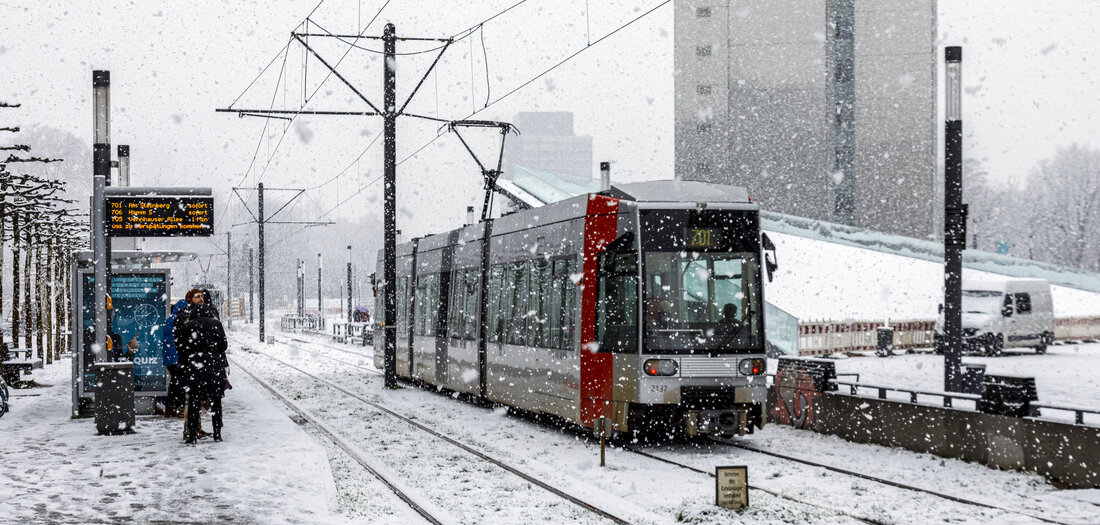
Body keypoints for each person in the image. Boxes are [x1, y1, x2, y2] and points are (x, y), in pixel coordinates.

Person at [175, 289, 229, 444]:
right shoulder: (216, 324)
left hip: (195, 369)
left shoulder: (188, 326)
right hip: (214, 368)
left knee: (193, 403)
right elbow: (223, 346)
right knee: (216, 402)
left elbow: (180, 347)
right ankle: (217, 434)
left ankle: (192, 435)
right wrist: (213, 353)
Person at [162, 298, 189, 418]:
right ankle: (179, 407)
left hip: (170, 357)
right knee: (180, 383)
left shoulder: (170, 319)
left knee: (175, 382)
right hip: (176, 357)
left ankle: (170, 407)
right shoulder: (178, 320)